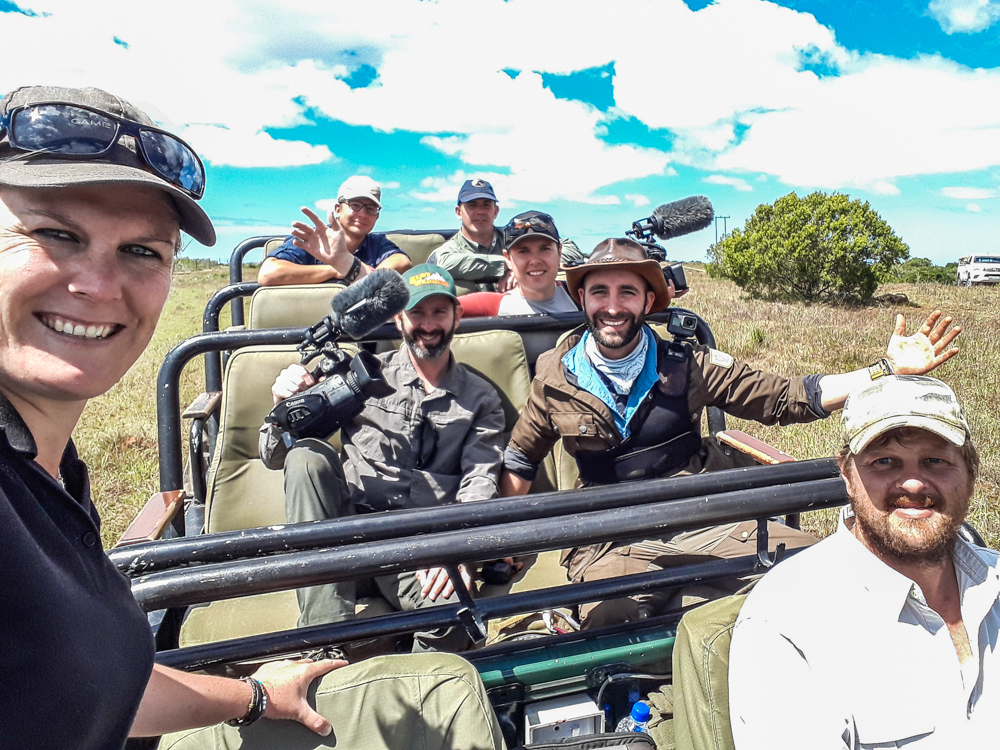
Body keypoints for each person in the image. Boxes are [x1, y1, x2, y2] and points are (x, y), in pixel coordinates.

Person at [0, 83, 352, 749]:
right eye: (53, 233)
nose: (99, 285)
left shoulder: (49, 468)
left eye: (141, 251)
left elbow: (92, 677)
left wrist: (253, 696)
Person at [500, 237, 963, 627]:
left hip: (703, 516)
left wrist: (886, 369)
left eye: (627, 292)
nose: (613, 306)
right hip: (610, 533)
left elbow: (787, 397)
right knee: (609, 621)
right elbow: (521, 458)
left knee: (829, 575)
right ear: (582, 300)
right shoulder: (555, 376)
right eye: (599, 292)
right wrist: (504, 543)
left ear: (648, 301)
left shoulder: (687, 363)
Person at [729, 376, 997, 747]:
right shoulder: (785, 622)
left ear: (970, 470)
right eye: (884, 462)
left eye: (935, 460)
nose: (914, 484)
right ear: (846, 473)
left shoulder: (993, 583)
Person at [260, 264, 505, 651]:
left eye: (439, 312)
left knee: (453, 620)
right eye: (418, 313)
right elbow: (275, 456)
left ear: (457, 314)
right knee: (307, 457)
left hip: (421, 545)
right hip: (343, 538)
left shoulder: (481, 399)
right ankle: (325, 650)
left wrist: (459, 551)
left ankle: (411, 687)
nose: (428, 324)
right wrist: (286, 404)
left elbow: (480, 479)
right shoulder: (360, 378)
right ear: (399, 317)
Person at [257, 175, 411, 286]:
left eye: (371, 208)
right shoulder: (313, 240)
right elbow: (268, 273)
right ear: (338, 209)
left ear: (377, 216)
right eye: (355, 205)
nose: (363, 214)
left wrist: (357, 273)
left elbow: (401, 262)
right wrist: (337, 269)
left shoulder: (377, 244)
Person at [459, 211, 580, 318]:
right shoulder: (493, 305)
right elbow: (443, 308)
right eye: (523, 251)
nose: (535, 260)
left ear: (559, 252)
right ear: (507, 259)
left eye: (544, 249)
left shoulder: (580, 296)